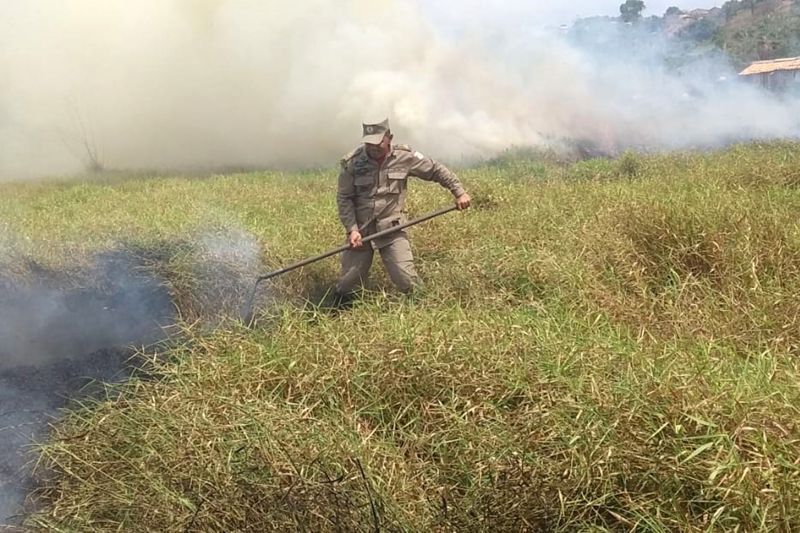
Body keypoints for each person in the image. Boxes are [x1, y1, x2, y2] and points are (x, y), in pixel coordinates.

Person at [333, 118, 471, 303]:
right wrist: (352, 229)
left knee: (407, 279)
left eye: (377, 142)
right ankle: (340, 310)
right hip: (361, 233)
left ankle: (424, 309)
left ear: (389, 138)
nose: (372, 147)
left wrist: (459, 192)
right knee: (348, 284)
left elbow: (436, 170)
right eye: (368, 143)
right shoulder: (353, 162)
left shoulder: (404, 157)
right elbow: (344, 198)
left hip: (391, 228)